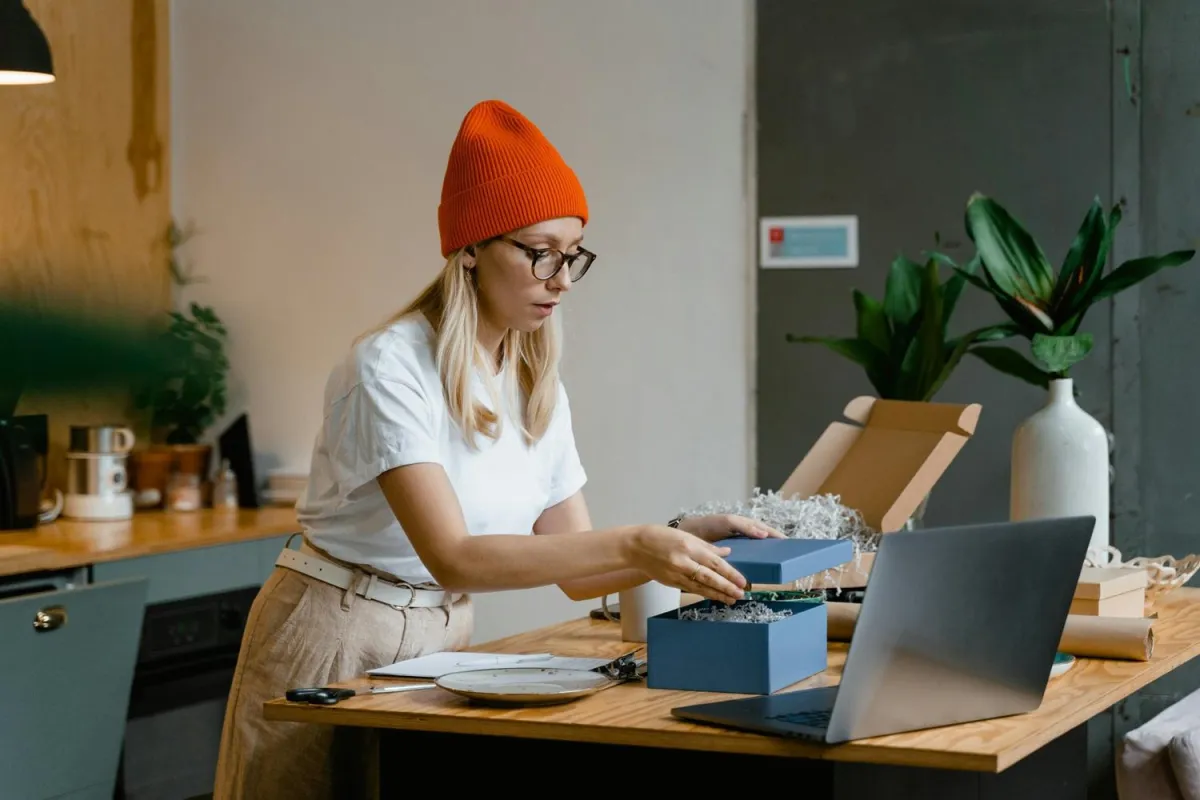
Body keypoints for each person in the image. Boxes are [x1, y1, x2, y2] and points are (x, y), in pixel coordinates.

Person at [213, 99, 779, 800]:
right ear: (472, 248)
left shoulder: (533, 381)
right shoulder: (388, 366)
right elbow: (454, 555)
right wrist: (640, 544)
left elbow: (577, 567)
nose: (562, 279)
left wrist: (674, 537)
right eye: (539, 252)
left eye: (573, 256)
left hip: (443, 638)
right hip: (335, 629)